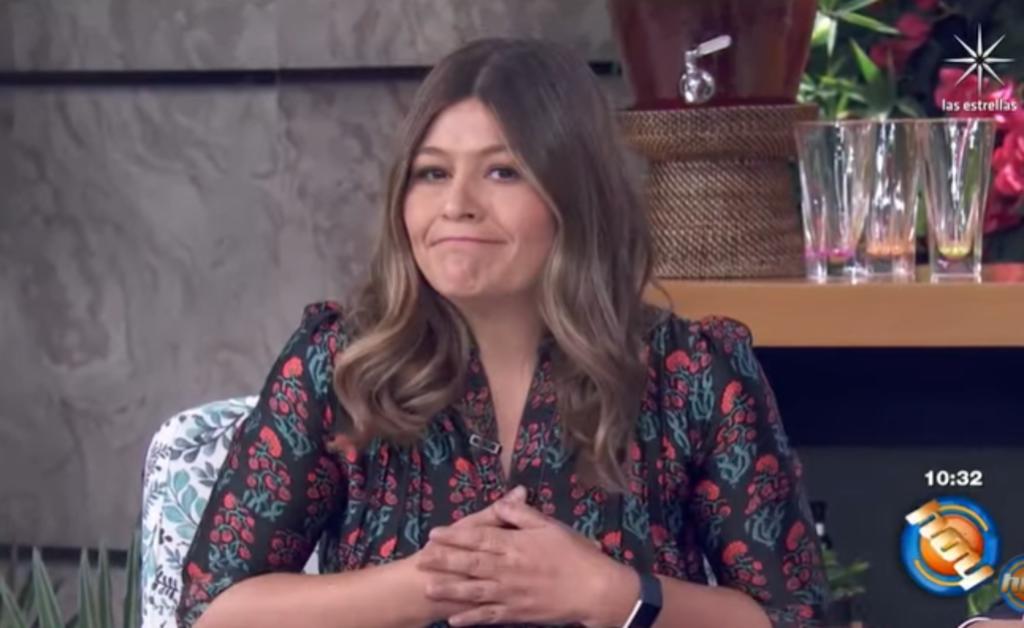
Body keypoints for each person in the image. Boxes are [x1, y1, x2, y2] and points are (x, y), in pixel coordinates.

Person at [176, 37, 829, 628]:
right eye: (433, 173)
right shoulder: (337, 363)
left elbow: (793, 617)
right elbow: (215, 612)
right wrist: (426, 585)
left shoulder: (693, 373)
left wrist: (612, 595)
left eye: (502, 171)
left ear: (573, 196)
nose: (456, 204)